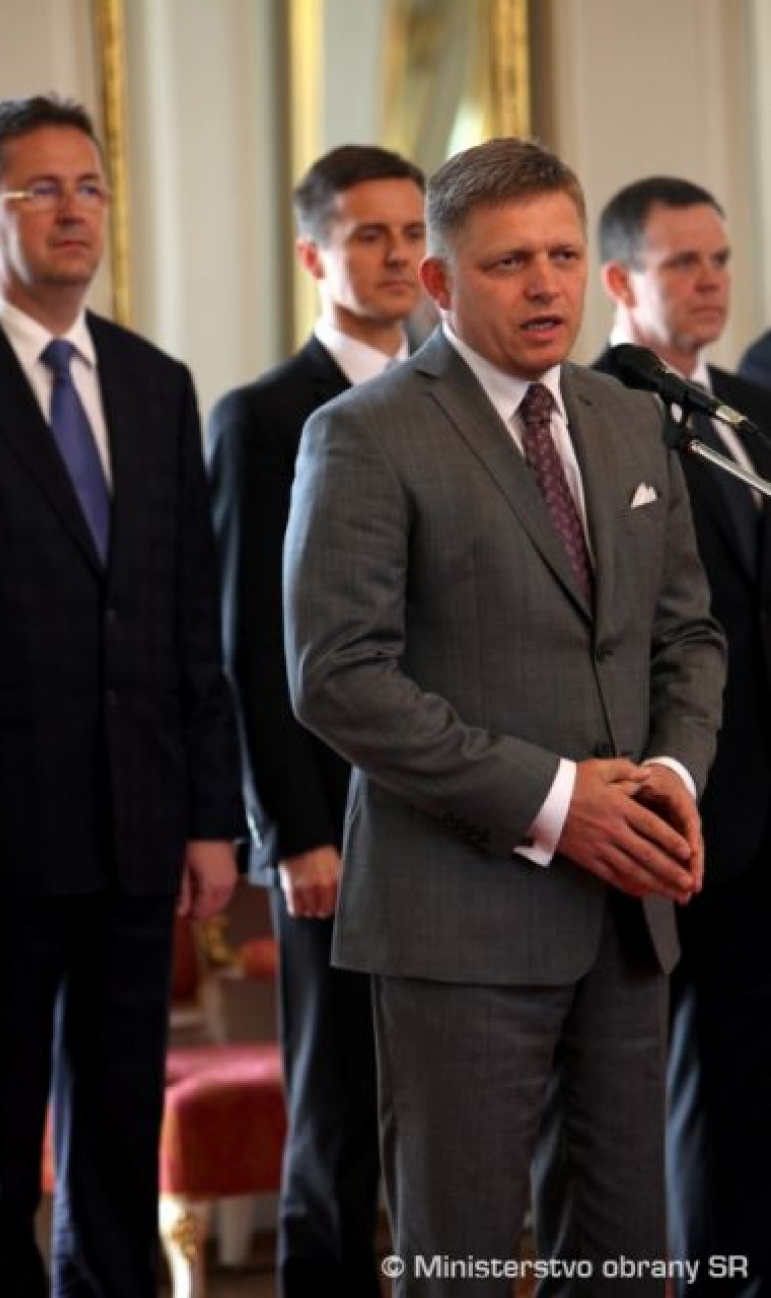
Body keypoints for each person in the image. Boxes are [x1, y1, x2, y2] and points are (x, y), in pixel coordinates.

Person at [282, 137, 726, 1297]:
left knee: (627, 1262)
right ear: (439, 281)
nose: (545, 286)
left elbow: (688, 635)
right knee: (463, 1261)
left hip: (627, 912)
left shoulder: (629, 419)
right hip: (456, 921)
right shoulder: (364, 431)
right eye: (508, 262)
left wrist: (672, 777)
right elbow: (338, 676)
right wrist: (557, 799)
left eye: (564, 256)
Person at [0, 94, 244, 1298]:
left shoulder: (156, 384)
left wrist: (210, 816)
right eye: (40, 189)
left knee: (115, 1133)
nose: (72, 210)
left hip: (137, 834)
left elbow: (188, 621)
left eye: (89, 186)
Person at [208, 144, 425, 1298]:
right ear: (313, 255)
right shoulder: (260, 417)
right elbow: (249, 637)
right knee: (337, 1113)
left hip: (456, 816)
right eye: (368, 234)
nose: (397, 256)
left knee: (443, 1116)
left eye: (413, 233)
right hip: (330, 827)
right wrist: (293, 830)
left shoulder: (455, 399)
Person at [596, 175, 771, 1296]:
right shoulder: (601, 408)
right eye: (682, 264)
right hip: (686, 793)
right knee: (702, 1074)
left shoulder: (749, 408)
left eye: (721, 260)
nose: (710, 282)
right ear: (621, 279)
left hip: (767, 794)